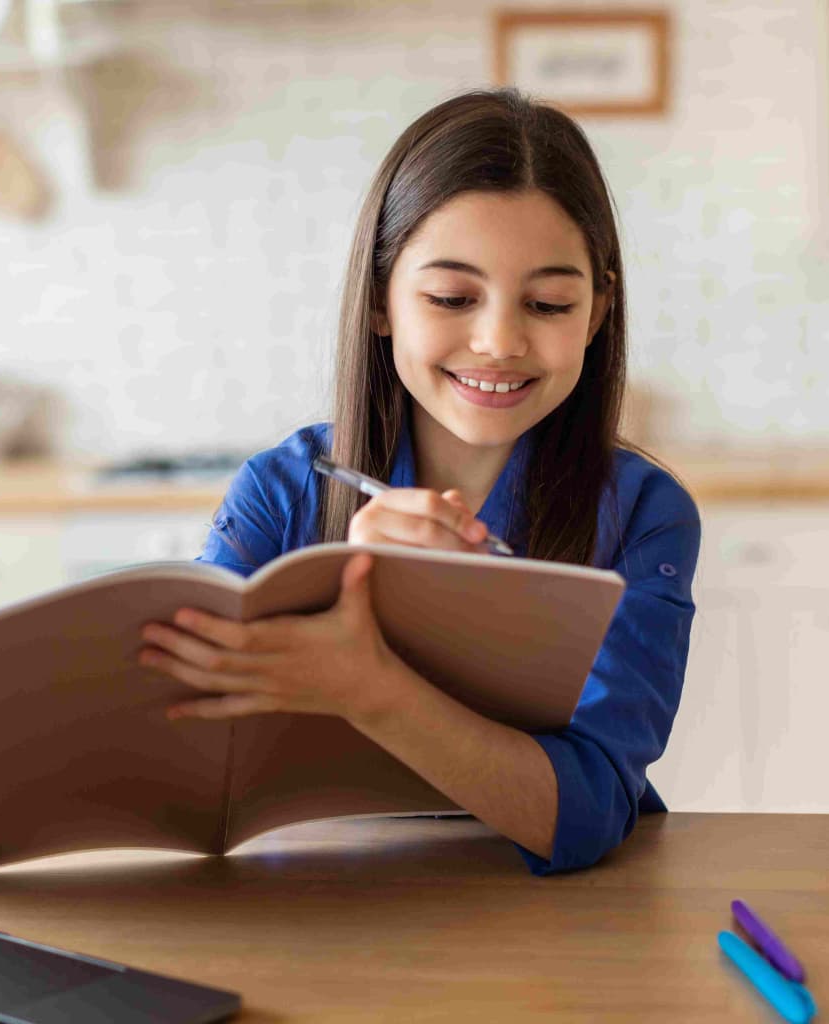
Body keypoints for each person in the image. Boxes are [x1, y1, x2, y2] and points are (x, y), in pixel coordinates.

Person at [136, 88, 700, 875]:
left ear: (599, 309)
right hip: (313, 907)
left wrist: (374, 686)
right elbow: (177, 758)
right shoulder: (282, 491)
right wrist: (340, 596)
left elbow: (592, 811)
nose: (500, 340)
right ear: (380, 301)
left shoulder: (643, 512)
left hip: (556, 929)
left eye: (548, 302)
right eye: (450, 297)